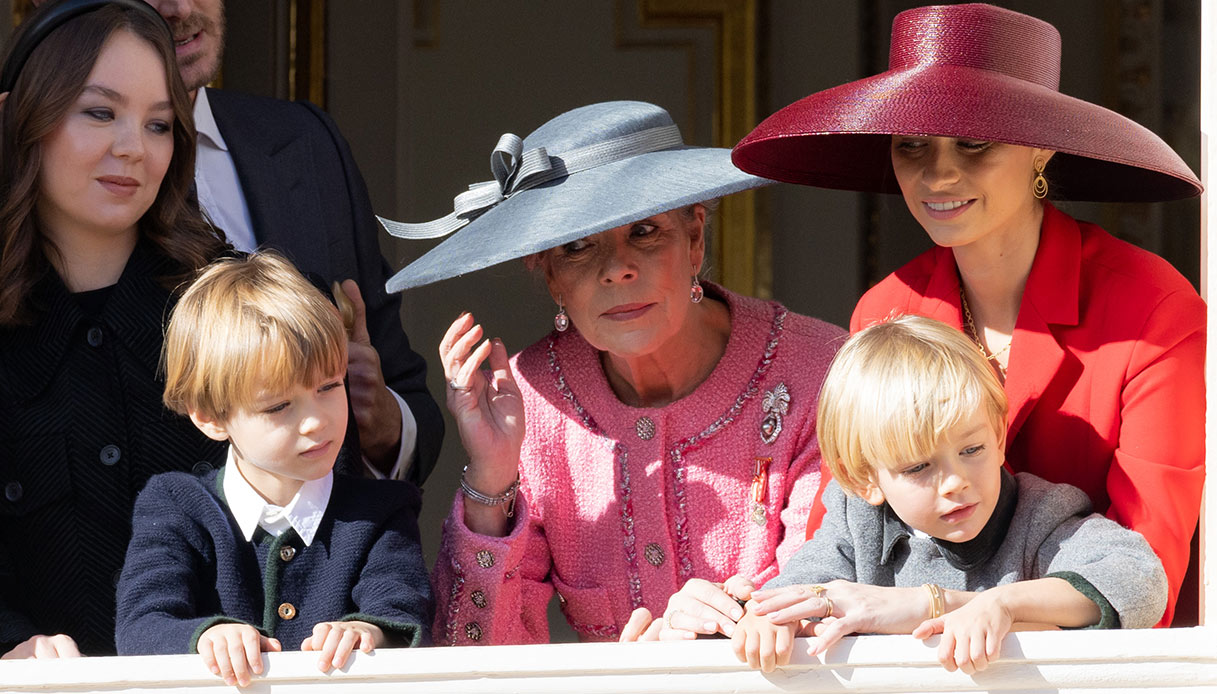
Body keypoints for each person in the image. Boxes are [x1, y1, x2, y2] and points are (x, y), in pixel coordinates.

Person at [731, 2, 1204, 627]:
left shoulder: (1150, 307)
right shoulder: (886, 310)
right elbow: (843, 533)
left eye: (974, 143)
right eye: (912, 145)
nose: (939, 173)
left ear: (1040, 150)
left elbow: (1147, 584)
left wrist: (934, 606)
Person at [377, 101, 843, 644]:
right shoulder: (530, 399)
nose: (617, 268)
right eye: (578, 247)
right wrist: (492, 476)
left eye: (645, 231)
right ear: (548, 272)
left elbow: (831, 593)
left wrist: (711, 636)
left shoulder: (821, 372)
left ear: (695, 238)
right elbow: (477, 659)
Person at [732, 315, 1166, 674]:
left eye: (971, 450)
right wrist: (768, 623)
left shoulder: (1038, 516)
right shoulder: (856, 521)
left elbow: (1140, 579)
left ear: (998, 437)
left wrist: (1003, 603)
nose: (955, 481)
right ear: (863, 477)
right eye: (919, 466)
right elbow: (800, 594)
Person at [0, 0, 231, 658]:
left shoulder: (234, 305)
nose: (133, 148)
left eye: (159, 124)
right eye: (99, 112)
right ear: (23, 117)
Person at [141, 0, 443, 484]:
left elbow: (407, 397)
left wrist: (381, 420)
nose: (178, 8)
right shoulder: (42, 162)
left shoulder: (306, 139)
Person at [116, 252, 431, 688]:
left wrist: (370, 632)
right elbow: (141, 625)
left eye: (329, 386)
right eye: (279, 405)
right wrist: (206, 635)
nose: (316, 420)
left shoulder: (383, 512)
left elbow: (401, 611)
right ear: (210, 416)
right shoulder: (175, 507)